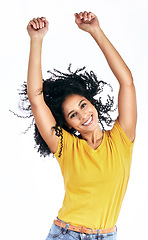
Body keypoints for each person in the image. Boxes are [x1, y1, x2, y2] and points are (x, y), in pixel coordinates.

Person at [25, 11, 137, 240]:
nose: (83, 115)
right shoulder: (66, 147)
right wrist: (36, 40)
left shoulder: (121, 139)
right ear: (67, 124)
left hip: (106, 236)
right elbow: (36, 99)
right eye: (73, 114)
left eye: (83, 105)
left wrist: (96, 31)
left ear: (92, 102)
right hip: (66, 234)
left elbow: (127, 81)